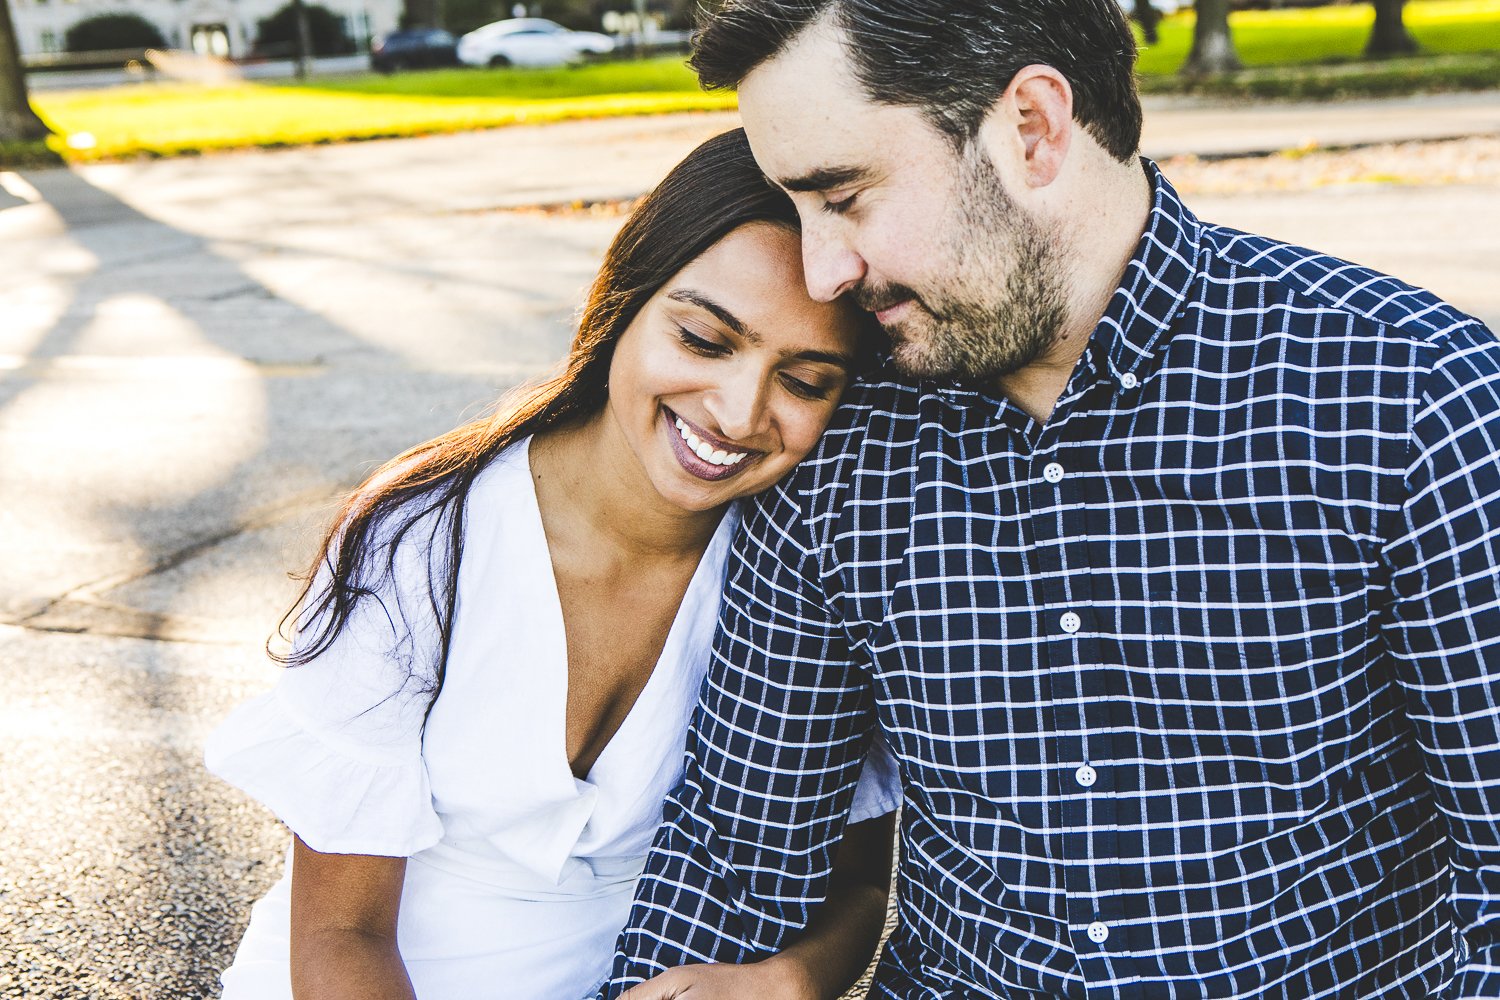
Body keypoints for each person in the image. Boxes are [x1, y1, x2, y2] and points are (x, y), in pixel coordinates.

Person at [601, 2, 1500, 998]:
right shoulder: (836, 433)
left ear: (1031, 126)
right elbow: (735, 853)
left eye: (844, 196)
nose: (824, 270)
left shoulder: (1411, 400)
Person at [203, 127, 901, 1000]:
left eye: (804, 382)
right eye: (703, 339)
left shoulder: (812, 570)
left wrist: (788, 983)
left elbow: (859, 882)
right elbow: (342, 931)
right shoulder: (422, 535)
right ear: (624, 306)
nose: (736, 410)